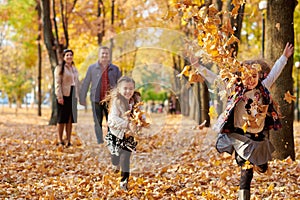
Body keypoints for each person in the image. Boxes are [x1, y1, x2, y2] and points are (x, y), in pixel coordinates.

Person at [193, 42, 294, 200]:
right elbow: (214, 79)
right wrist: (198, 67)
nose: (251, 80)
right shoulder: (234, 89)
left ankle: (261, 165)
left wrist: (284, 57)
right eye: (246, 76)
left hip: (257, 137)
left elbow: (274, 73)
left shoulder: (262, 89)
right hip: (239, 137)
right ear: (240, 77)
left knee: (261, 164)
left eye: (254, 76)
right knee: (246, 171)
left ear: (259, 76)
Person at [80, 46, 121, 144]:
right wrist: (82, 97)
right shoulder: (92, 68)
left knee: (111, 121)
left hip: (110, 100)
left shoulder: (115, 69)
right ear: (99, 55)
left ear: (109, 55)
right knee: (97, 122)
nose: (104, 55)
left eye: (106, 53)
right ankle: (99, 140)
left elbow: (120, 84)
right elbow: (86, 83)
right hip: (96, 99)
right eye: (102, 53)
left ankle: (110, 140)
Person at [104, 76, 138, 191]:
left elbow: (139, 115)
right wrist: (127, 124)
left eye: (131, 88)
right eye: (125, 88)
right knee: (115, 157)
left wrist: (141, 122)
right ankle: (115, 163)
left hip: (128, 135)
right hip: (116, 134)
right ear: (119, 89)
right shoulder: (116, 101)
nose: (128, 91)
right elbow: (112, 120)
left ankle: (124, 181)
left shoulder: (135, 101)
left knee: (126, 157)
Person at [54, 49, 80, 147]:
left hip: (73, 95)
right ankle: (60, 140)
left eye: (71, 55)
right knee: (61, 119)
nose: (69, 56)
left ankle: (68, 140)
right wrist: (59, 96)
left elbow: (77, 83)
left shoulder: (74, 68)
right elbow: (57, 83)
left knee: (70, 119)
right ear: (64, 57)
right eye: (67, 55)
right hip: (64, 95)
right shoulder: (60, 68)